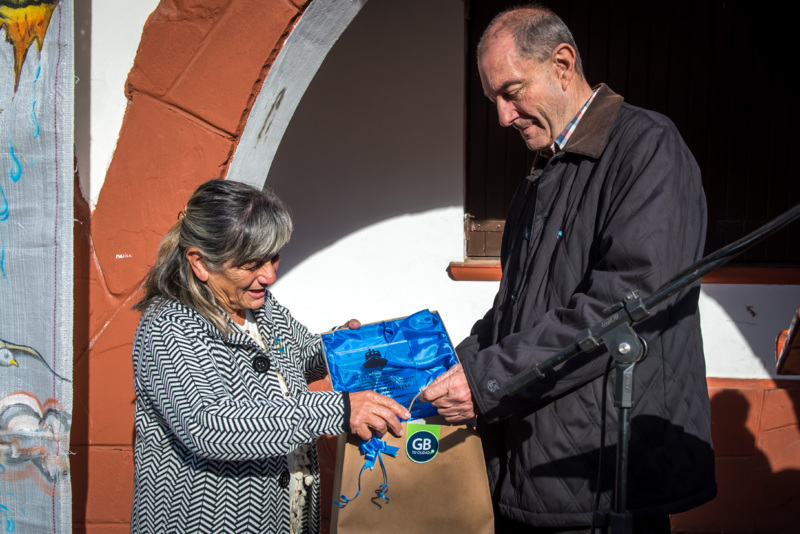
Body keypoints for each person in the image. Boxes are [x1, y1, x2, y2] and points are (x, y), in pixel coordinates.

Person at [421, 6, 716, 533]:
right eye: (495, 100)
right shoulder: (543, 174)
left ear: (562, 63)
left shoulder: (648, 148)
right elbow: (513, 313)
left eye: (512, 91)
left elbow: (626, 302)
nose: (503, 117)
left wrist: (486, 380)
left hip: (598, 478)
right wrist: (445, 367)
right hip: (528, 468)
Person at [130, 179, 410, 533]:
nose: (270, 275)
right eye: (252, 264)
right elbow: (208, 424)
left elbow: (301, 356)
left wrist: (341, 348)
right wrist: (339, 410)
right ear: (200, 263)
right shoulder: (170, 325)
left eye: (274, 257)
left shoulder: (261, 309)